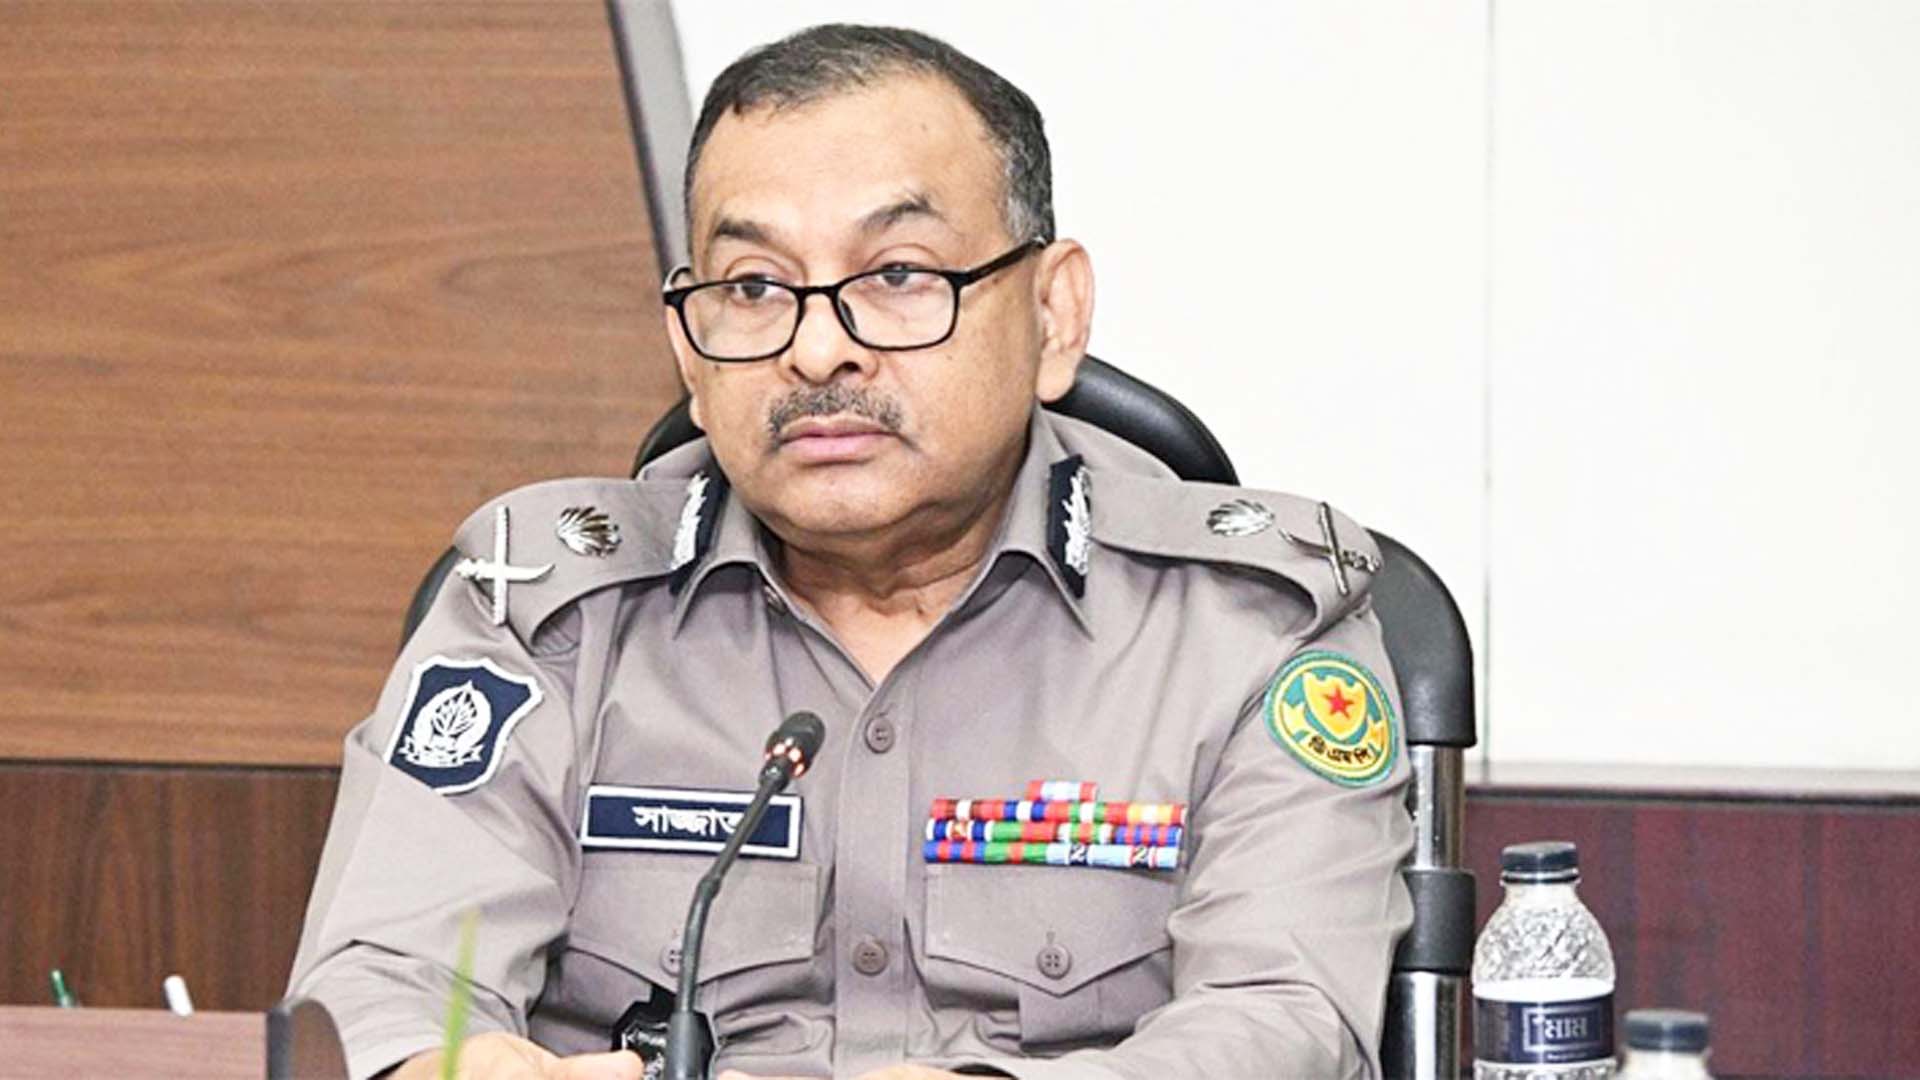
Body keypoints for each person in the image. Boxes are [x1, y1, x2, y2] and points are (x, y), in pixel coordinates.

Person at [290, 23, 1412, 1080]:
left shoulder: (1248, 631)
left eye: (898, 275)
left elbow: (1287, 1021)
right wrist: (450, 1065)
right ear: (689, 348)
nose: (819, 348)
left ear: (1054, 314)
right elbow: (387, 982)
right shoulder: (546, 614)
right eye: (752, 287)